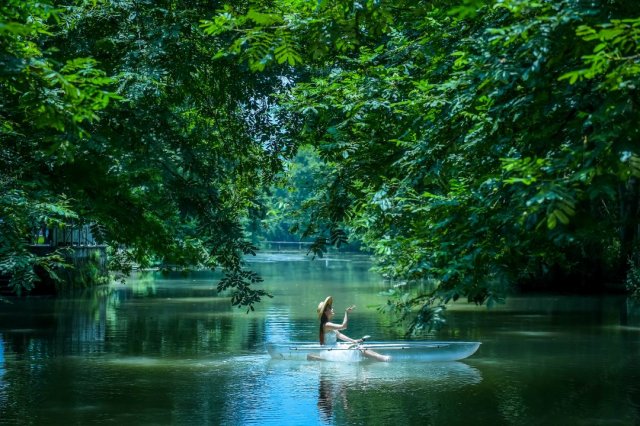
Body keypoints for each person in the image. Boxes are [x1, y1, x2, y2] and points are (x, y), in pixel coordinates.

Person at [315, 296, 390, 362]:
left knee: (359, 347)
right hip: (330, 351)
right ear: (325, 312)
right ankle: (382, 358)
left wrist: (353, 341)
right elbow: (343, 326)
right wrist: (346, 313)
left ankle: (381, 357)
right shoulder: (327, 325)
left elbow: (340, 335)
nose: (332, 309)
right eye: (330, 308)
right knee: (358, 348)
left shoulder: (328, 324)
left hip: (335, 347)